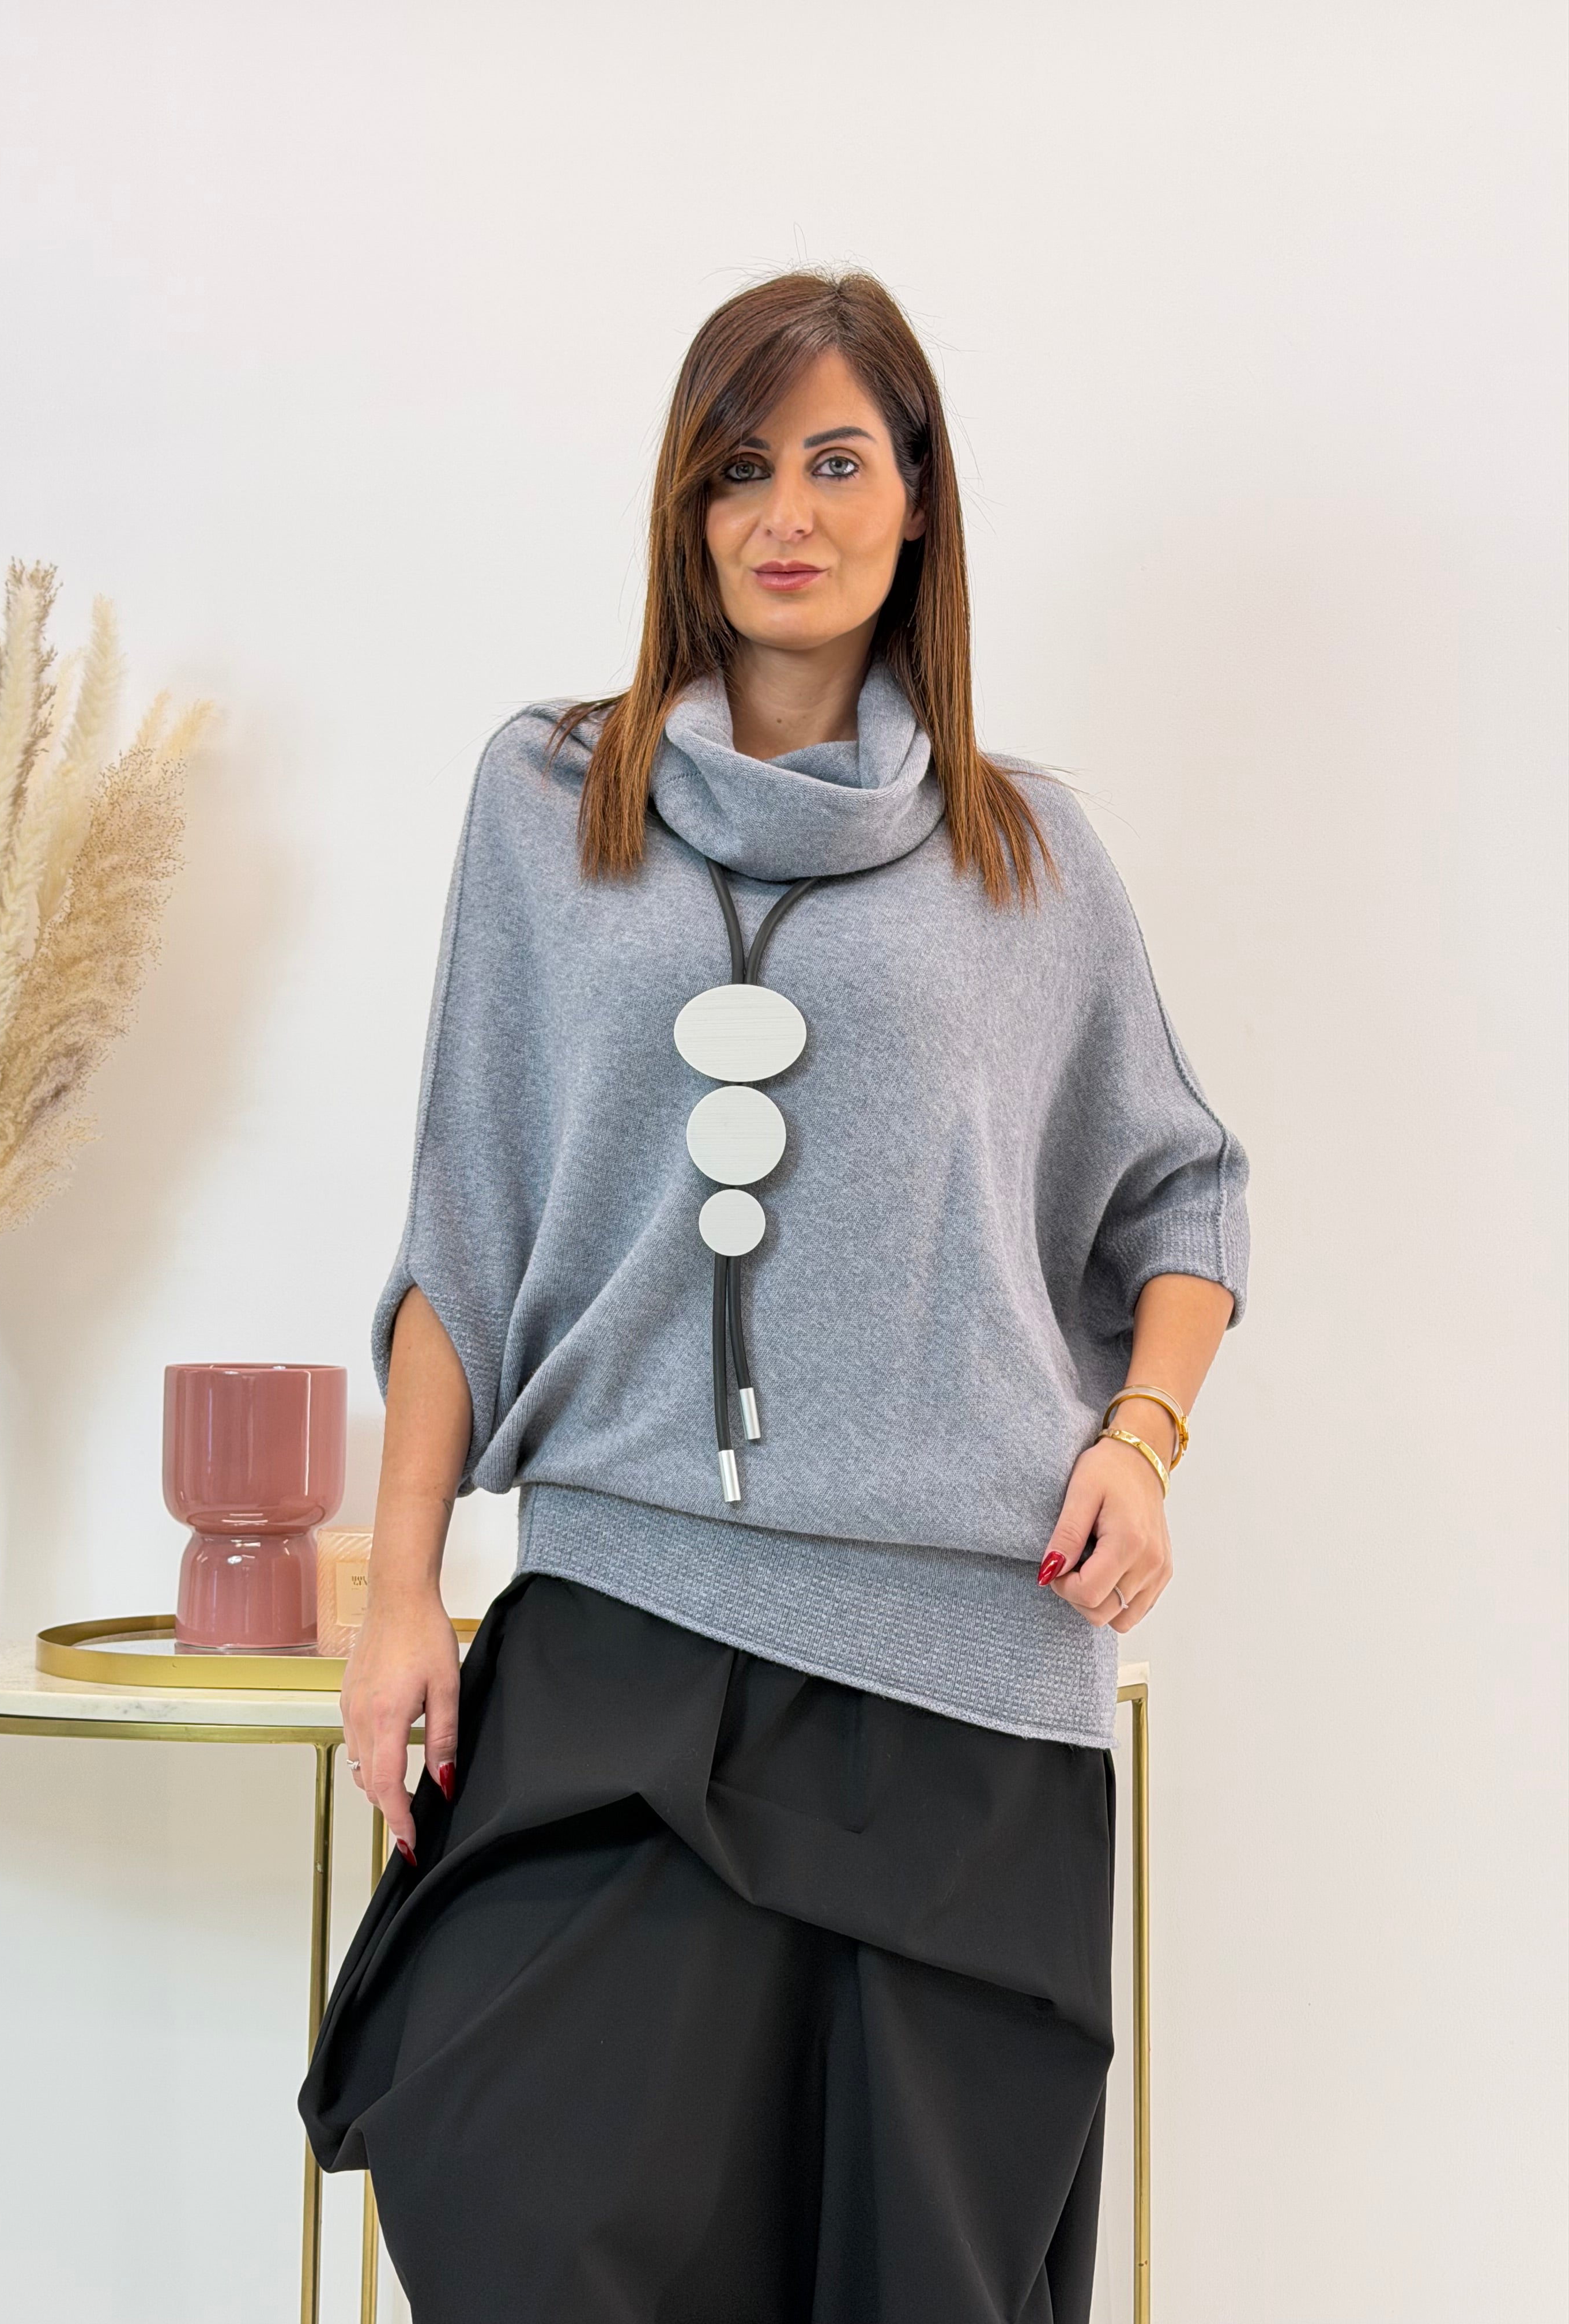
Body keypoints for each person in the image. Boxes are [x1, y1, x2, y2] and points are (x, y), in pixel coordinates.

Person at [300, 267, 1249, 2322]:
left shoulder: (1028, 852)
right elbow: (465, 1221)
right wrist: (401, 1599)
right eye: (741, 468)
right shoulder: (550, 799)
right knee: (520, 2187)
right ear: (686, 504)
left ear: (919, 500)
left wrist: (1145, 1440)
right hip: (623, 1633)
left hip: (958, 1684)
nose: (787, 513)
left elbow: (1182, 1191)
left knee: (913, 2276)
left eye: (836, 462)